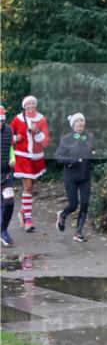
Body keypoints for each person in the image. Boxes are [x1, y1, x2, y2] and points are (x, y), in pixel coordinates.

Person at [10, 95, 49, 231]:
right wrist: (16, 138)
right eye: (28, 104)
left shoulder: (41, 119)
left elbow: (45, 142)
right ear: (24, 106)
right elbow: (8, 135)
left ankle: (22, 212)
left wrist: (37, 131)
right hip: (22, 157)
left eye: (33, 103)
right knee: (27, 187)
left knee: (31, 188)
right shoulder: (18, 119)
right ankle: (28, 220)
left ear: (36, 105)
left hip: (37, 158)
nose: (31, 106)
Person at [55, 112, 95, 242]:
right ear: (73, 124)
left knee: (84, 204)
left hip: (85, 177)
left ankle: (78, 232)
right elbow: (58, 157)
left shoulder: (89, 137)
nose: (80, 123)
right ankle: (62, 215)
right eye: (77, 121)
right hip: (71, 177)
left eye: (81, 121)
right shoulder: (66, 139)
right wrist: (71, 160)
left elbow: (93, 153)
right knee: (73, 205)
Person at [1, 105, 16, 247]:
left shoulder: (9, 130)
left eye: (1, 121)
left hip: (5, 175)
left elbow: (11, 148)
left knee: (9, 203)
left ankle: (3, 229)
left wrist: (13, 159)